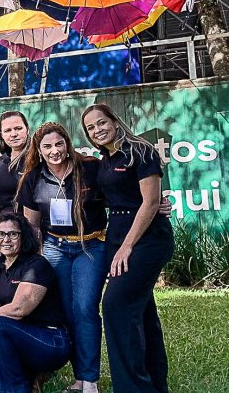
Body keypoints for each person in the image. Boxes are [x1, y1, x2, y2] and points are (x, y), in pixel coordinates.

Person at [82, 104, 174, 393]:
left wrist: (127, 247)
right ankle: (156, 384)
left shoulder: (141, 151)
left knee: (116, 306)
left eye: (101, 123)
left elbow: (149, 203)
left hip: (146, 240)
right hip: (118, 237)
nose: (98, 130)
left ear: (115, 121)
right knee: (143, 312)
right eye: (91, 128)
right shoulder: (104, 159)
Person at [16, 122, 108, 393]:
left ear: (67, 144)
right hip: (55, 247)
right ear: (39, 150)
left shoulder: (89, 169)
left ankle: (90, 380)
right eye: (47, 146)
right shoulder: (33, 177)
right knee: (66, 311)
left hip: (91, 245)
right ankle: (78, 377)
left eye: (59, 144)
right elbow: (31, 225)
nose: (54, 151)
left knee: (85, 308)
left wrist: (159, 202)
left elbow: (121, 195)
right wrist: (34, 259)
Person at [0, 212, 71, 392]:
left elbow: (20, 309)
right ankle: (29, 377)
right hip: (16, 339)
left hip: (50, 341)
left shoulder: (36, 265)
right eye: (1, 234)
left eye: (13, 234)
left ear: (23, 237)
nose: (6, 239)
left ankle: (16, 389)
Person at [0, 111, 30, 214]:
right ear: (1, 135)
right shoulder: (1, 161)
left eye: (18, 128)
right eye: (7, 130)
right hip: (1, 223)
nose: (13, 134)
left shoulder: (36, 159)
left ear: (27, 129)